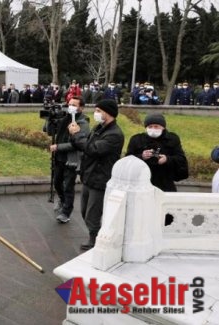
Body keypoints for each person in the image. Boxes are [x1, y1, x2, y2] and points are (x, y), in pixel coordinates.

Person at [68, 99, 124, 250]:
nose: (96, 113)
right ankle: (96, 236)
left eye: (99, 111)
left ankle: (95, 240)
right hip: (89, 176)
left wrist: (77, 135)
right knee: (85, 210)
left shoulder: (114, 134)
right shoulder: (98, 127)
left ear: (109, 113)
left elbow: (93, 149)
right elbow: (85, 145)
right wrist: (75, 136)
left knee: (92, 213)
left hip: (100, 179)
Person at [49, 96, 90, 224]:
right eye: (69, 103)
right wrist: (50, 119)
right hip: (59, 158)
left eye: (74, 104)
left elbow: (78, 144)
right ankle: (62, 200)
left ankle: (66, 212)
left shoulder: (83, 123)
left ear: (81, 108)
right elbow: (49, 132)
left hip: (71, 159)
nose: (70, 106)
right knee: (57, 183)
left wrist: (58, 147)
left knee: (68, 186)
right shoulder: (63, 119)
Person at [126, 114, 188, 192]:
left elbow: (181, 159)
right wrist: (142, 156)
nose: (153, 129)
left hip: (165, 183)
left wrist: (167, 159)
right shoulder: (137, 139)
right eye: (150, 126)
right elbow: (127, 160)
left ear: (163, 127)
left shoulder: (172, 139)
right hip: (141, 184)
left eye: (156, 126)